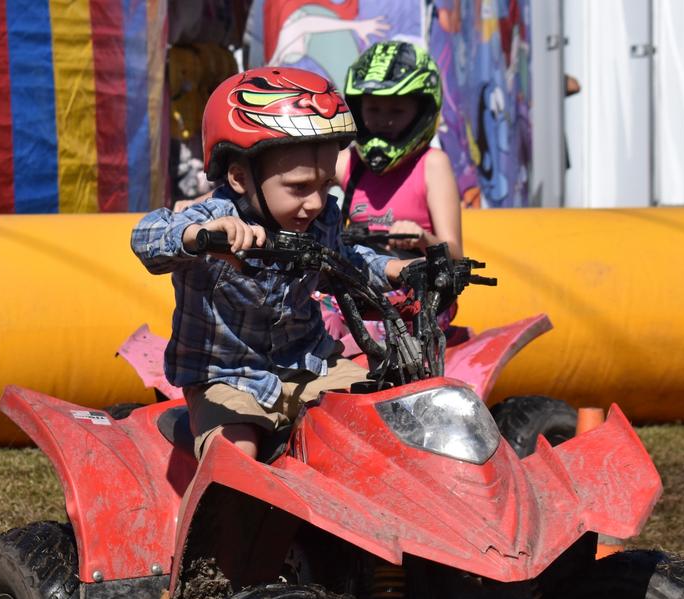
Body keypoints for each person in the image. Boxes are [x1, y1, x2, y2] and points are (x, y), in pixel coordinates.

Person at [131, 66, 420, 466]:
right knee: (237, 462)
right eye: (300, 188)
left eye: (325, 186)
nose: (317, 202)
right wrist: (200, 237)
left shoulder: (320, 219)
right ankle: (219, 524)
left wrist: (399, 271)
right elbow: (146, 237)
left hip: (310, 365)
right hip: (228, 378)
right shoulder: (214, 219)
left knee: (381, 422)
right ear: (238, 176)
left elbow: (345, 262)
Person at [324, 40, 464, 348]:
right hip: (357, 287)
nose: (384, 120)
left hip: (421, 298)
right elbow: (292, 180)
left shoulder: (432, 164)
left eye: (397, 110)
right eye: (373, 109)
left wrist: (422, 239)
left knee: (358, 338)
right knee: (308, 317)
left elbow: (454, 253)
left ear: (422, 111)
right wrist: (205, 202)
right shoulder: (349, 163)